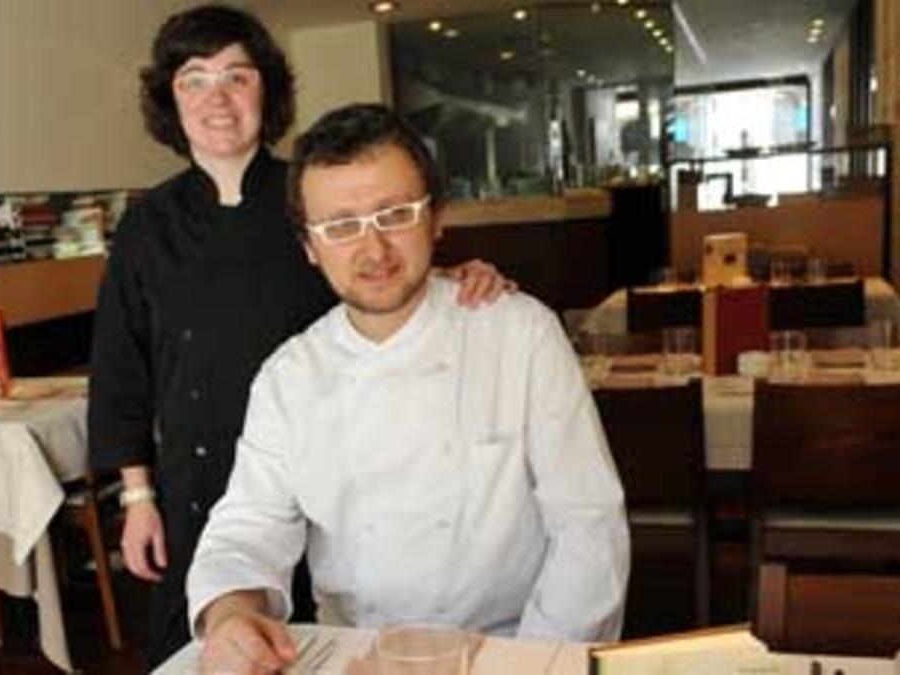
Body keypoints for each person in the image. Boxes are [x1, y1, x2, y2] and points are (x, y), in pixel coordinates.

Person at [87, 6, 509, 668]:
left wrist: (462, 275)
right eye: (194, 79)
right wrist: (138, 498)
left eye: (237, 76)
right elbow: (120, 370)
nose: (217, 99)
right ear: (170, 99)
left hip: (320, 474)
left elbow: (380, 274)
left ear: (268, 90)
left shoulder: (310, 196)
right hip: (197, 486)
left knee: (316, 645)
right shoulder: (147, 225)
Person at [187, 103, 630, 675]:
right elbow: (249, 525)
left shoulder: (520, 333)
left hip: (509, 649)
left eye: (395, 214)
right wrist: (230, 614)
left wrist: (532, 660)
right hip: (357, 654)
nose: (373, 250)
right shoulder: (288, 377)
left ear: (436, 218)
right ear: (308, 245)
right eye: (341, 226)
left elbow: (588, 526)